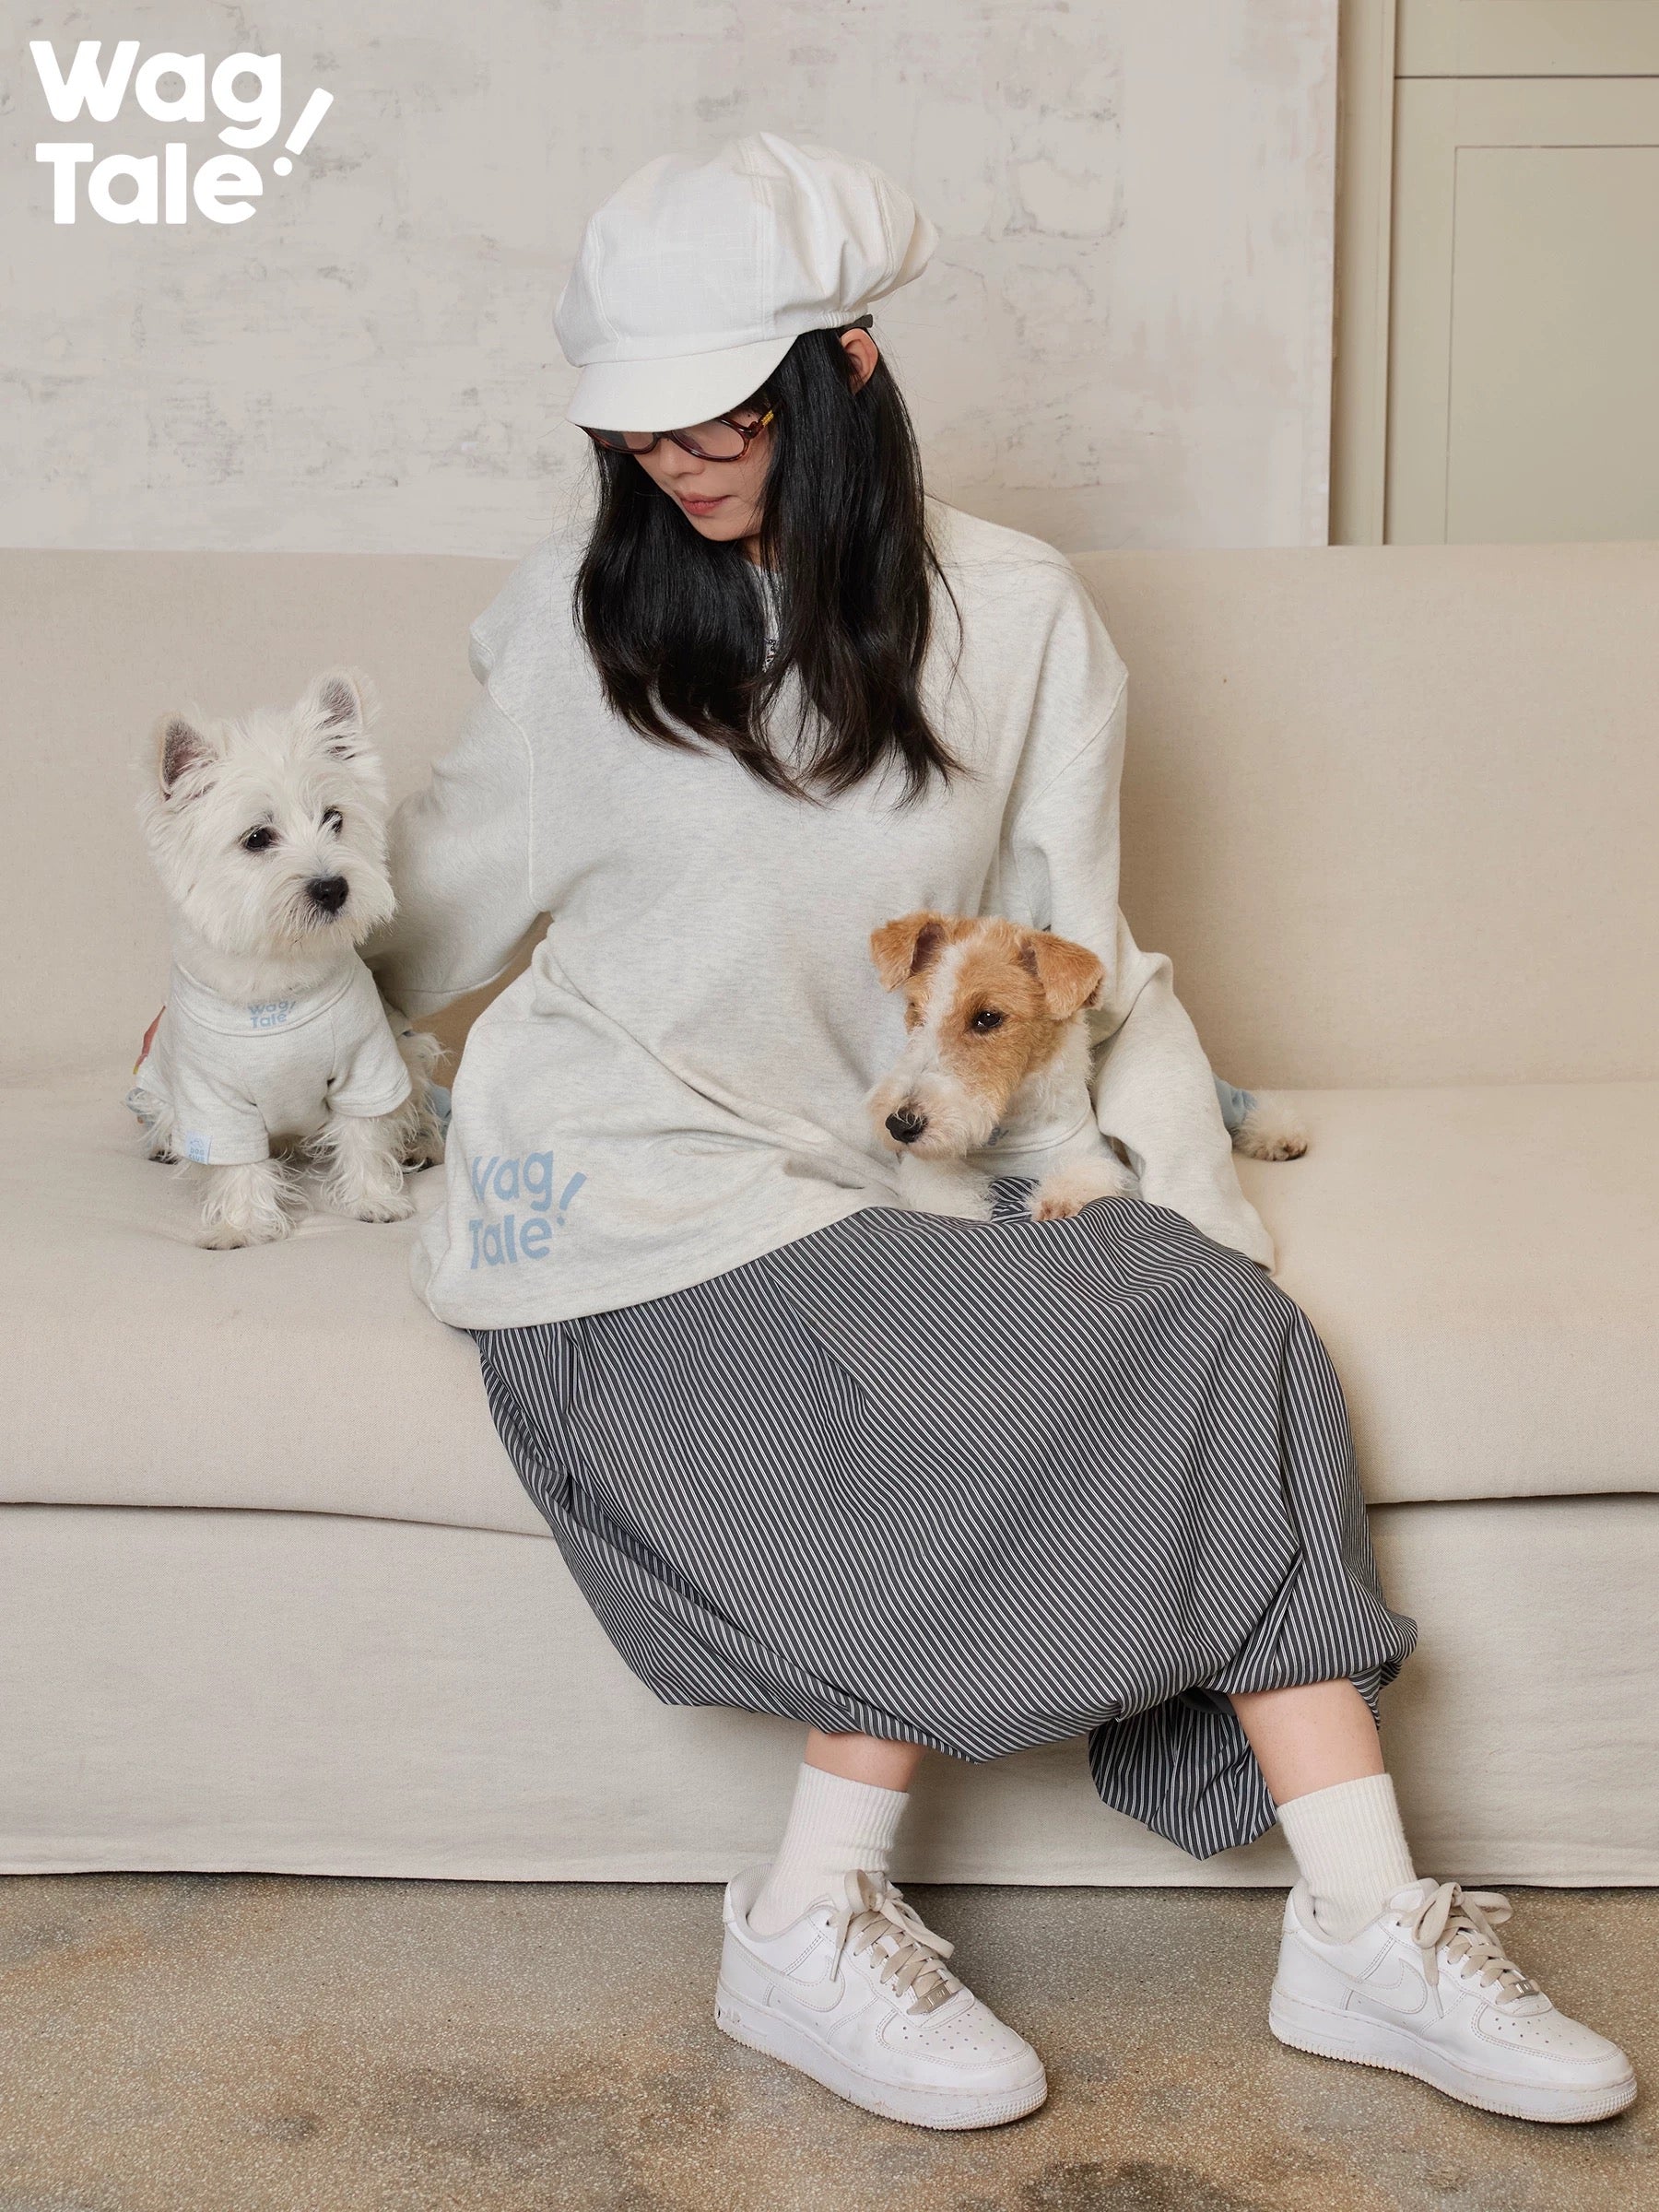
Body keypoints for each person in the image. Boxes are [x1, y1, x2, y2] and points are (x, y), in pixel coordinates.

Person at [363, 134, 1635, 2132]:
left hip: (888, 1177)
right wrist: (257, 997)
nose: (679, 464)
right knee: (997, 1384)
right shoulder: (574, 623)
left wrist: (1182, 1218)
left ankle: (1364, 1934)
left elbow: (1078, 955)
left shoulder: (1024, 621)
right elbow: (424, 904)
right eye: (638, 434)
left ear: (844, 373)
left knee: (1220, 1329)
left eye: (723, 418)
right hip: (618, 1197)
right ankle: (808, 1918)